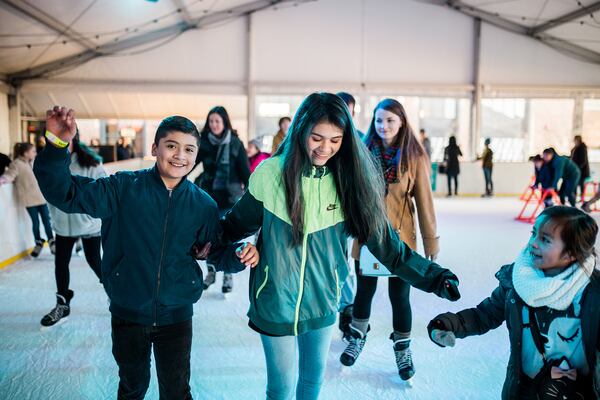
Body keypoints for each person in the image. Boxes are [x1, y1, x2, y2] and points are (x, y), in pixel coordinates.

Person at [217, 93, 461, 400]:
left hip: (322, 299)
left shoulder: (349, 182)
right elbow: (234, 226)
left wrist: (434, 276)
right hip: (274, 298)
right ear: (300, 131)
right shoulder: (271, 174)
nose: (325, 148)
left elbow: (388, 246)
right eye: (317, 138)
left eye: (335, 140)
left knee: (310, 383)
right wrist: (222, 247)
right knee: (279, 388)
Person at [35, 106, 259, 400]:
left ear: (196, 155)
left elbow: (214, 252)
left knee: (176, 392)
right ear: (155, 148)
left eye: (189, 149)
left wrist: (239, 255)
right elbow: (66, 192)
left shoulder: (202, 205)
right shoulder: (123, 187)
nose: (180, 155)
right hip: (128, 313)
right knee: (132, 388)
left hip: (176, 316)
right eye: (171, 146)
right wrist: (57, 144)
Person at [428, 206, 600, 399]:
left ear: (571, 253)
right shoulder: (517, 280)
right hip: (524, 390)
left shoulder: (593, 292)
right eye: (533, 234)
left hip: (579, 392)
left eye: (545, 239)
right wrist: (449, 323)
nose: (533, 244)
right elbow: (485, 315)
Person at [340, 98, 439, 381]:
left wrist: (431, 240)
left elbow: (424, 201)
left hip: (400, 237)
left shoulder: (414, 156)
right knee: (364, 292)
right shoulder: (362, 152)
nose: (383, 126)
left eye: (390, 121)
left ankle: (403, 350)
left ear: (402, 122)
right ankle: (357, 337)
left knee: (400, 296)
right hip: (369, 235)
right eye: (379, 120)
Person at [41, 132, 107, 327]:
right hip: (63, 225)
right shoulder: (50, 164)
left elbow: (103, 190)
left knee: (94, 260)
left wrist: (90, 213)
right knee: (60, 263)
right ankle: (62, 304)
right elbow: (47, 191)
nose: (59, 142)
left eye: (64, 138)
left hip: (88, 224)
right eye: (55, 139)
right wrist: (54, 213)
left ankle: (117, 295)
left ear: (73, 138)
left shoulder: (91, 163)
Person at [195, 106, 251, 294]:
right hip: (208, 197)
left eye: (217, 121)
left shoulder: (235, 143)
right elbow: (190, 162)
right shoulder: (204, 143)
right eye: (211, 121)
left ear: (225, 122)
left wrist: (251, 197)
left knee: (226, 237)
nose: (214, 124)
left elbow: (245, 172)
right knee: (209, 237)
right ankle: (211, 271)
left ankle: (228, 275)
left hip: (230, 199)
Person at [0, 142, 55, 257]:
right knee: (35, 222)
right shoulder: (16, 164)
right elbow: (11, 174)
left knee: (47, 221)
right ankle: (38, 242)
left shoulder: (34, 162)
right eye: (33, 151)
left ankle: (51, 241)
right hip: (29, 200)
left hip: (41, 198)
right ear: (26, 153)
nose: (35, 153)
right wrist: (3, 179)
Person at [570, 135, 590, 203]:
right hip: (576, 170)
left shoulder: (582, 148)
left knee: (581, 185)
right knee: (575, 184)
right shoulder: (575, 148)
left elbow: (583, 160)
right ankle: (575, 198)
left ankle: (582, 199)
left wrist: (577, 169)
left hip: (581, 171)